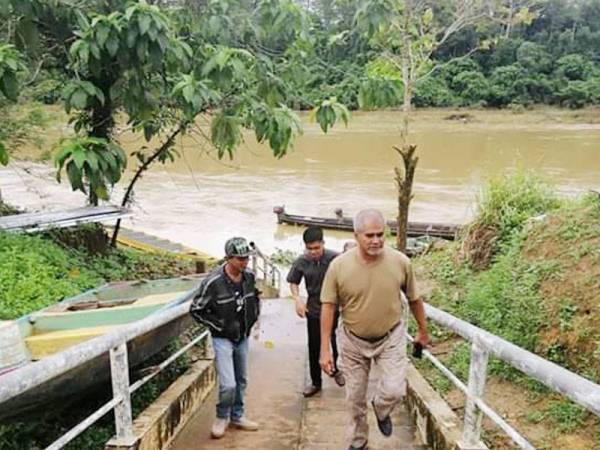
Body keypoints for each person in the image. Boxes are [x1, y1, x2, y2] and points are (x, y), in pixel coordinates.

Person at [319, 209, 430, 450]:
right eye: (369, 235)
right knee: (354, 399)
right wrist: (325, 349)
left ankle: (381, 409)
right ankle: (359, 441)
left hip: (390, 337)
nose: (376, 240)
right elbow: (328, 307)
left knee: (394, 389)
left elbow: (414, 299)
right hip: (352, 340)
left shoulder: (400, 262)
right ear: (356, 235)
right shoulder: (338, 267)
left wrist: (422, 330)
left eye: (380, 234)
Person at [190, 237, 260, 439]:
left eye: (246, 258)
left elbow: (254, 299)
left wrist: (252, 320)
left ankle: (237, 416)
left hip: (242, 336)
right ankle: (222, 416)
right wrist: (218, 326)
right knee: (228, 383)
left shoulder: (249, 278)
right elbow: (196, 310)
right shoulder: (213, 282)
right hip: (222, 338)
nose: (244, 262)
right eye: (240, 259)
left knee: (242, 379)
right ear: (228, 258)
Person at [287, 226, 345, 397]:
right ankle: (316, 382)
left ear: (323, 244)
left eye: (316, 248)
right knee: (314, 344)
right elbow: (293, 282)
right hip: (313, 308)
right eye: (309, 248)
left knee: (331, 339)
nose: (313, 252)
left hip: (333, 307)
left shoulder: (335, 259)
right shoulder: (301, 261)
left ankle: (335, 370)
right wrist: (297, 299)